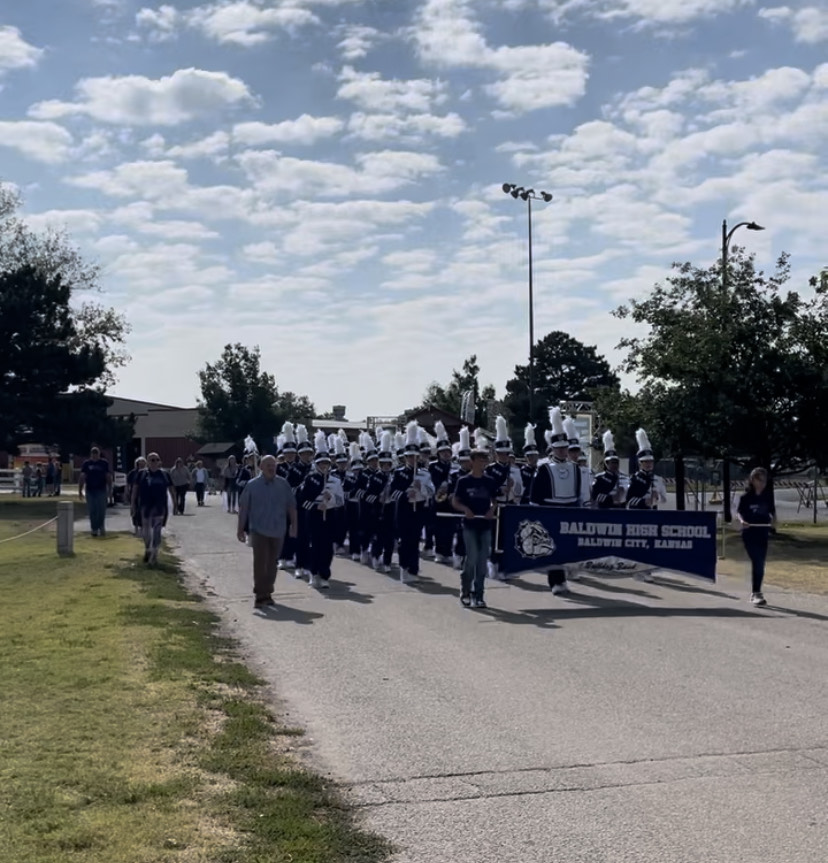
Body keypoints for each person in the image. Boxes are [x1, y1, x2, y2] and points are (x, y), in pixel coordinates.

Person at [529, 407, 589, 594]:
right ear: (553, 448)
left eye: (565, 448)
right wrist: (536, 512)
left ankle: (562, 579)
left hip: (569, 509)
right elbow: (536, 494)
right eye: (560, 448)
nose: (563, 451)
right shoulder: (544, 468)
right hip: (550, 510)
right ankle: (556, 582)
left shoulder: (575, 468)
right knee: (553, 548)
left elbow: (577, 492)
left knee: (566, 547)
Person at [237, 455, 298, 609]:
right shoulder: (252, 485)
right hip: (258, 530)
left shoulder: (283, 484)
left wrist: (294, 526)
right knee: (260, 562)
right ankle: (260, 595)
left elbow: (291, 507)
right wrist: (240, 529)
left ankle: (267, 591)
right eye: (268, 465)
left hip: (278, 530)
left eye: (274, 465)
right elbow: (244, 508)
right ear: (261, 467)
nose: (272, 468)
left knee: (272, 563)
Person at [452, 439, 499, 609]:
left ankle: (478, 595)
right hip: (470, 524)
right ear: (472, 461)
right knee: (471, 559)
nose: (483, 463)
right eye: (480, 460)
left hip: (485, 524)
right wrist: (465, 509)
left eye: (485, 460)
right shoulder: (464, 481)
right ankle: (465, 590)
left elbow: (495, 501)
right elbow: (455, 502)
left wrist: (492, 510)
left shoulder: (489, 481)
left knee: (482, 561)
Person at [296, 432, 345, 589]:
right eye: (321, 464)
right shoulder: (310, 479)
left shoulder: (335, 480)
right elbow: (302, 500)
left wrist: (329, 501)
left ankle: (325, 575)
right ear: (316, 464)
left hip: (330, 516)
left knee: (327, 548)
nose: (324, 466)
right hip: (313, 516)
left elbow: (340, 501)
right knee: (314, 546)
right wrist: (317, 505)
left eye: (326, 464)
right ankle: (313, 572)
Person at [388, 422, 435, 583]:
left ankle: (413, 569)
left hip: (419, 509)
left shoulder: (424, 474)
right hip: (403, 510)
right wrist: (407, 493)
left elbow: (431, 491)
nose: (412, 459)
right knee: (404, 541)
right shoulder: (399, 473)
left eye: (415, 456)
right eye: (409, 456)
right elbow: (392, 492)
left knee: (414, 541)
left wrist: (420, 489)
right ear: (405, 457)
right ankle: (404, 567)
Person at [737, 467, 776, 607]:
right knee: (758, 561)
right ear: (752, 480)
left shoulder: (767, 497)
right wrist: (742, 522)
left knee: (760, 563)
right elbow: (739, 513)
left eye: (764, 480)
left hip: (762, 533)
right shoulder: (746, 498)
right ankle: (756, 593)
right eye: (759, 479)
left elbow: (772, 512)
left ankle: (756, 592)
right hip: (749, 533)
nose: (762, 482)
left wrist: (773, 521)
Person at [132, 453, 173, 565]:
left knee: (157, 530)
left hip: (160, 506)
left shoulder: (164, 474)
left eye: (156, 460)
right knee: (146, 530)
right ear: (148, 462)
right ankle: (147, 549)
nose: (154, 462)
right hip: (145, 506)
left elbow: (171, 489)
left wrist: (175, 504)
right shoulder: (142, 474)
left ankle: (154, 553)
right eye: (151, 460)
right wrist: (133, 504)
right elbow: (135, 489)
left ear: (159, 461)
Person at [78, 446, 112, 537]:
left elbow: (108, 476)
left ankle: (101, 526)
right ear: (91, 454)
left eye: (96, 454)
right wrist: (80, 490)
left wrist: (110, 488)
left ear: (99, 454)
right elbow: (82, 477)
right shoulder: (87, 464)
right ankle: (94, 529)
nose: (94, 456)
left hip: (101, 489)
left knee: (101, 510)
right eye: (93, 454)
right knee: (92, 510)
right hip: (90, 490)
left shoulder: (104, 463)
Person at [591, 430, 626, 508]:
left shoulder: (624, 476)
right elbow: (594, 496)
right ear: (606, 463)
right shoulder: (599, 478)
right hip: (605, 510)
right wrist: (611, 498)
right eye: (611, 462)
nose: (614, 465)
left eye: (616, 462)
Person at [127, 456, 148, 535]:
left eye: (143, 463)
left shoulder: (147, 473)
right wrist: (127, 492)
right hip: (134, 493)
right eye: (140, 463)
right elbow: (128, 484)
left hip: (144, 494)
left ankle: (142, 527)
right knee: (134, 510)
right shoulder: (132, 473)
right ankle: (136, 527)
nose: (142, 465)